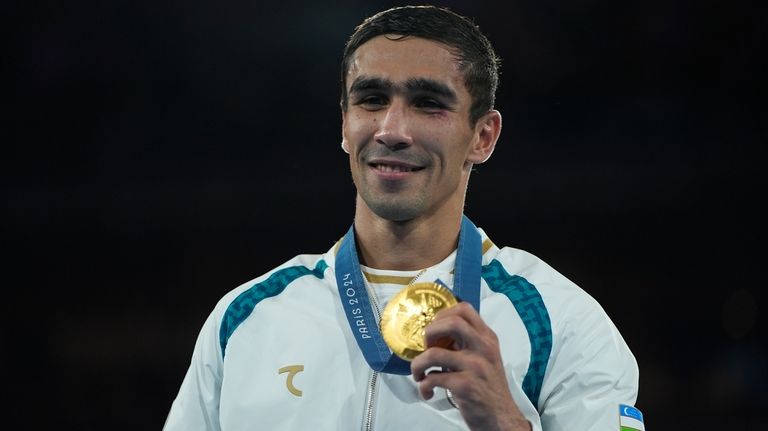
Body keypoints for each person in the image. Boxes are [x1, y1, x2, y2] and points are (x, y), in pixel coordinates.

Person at [164, 5, 642, 431]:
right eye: (371, 100)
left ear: (483, 137)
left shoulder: (561, 322)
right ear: (345, 125)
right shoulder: (246, 317)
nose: (392, 130)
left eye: (428, 103)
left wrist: (504, 422)